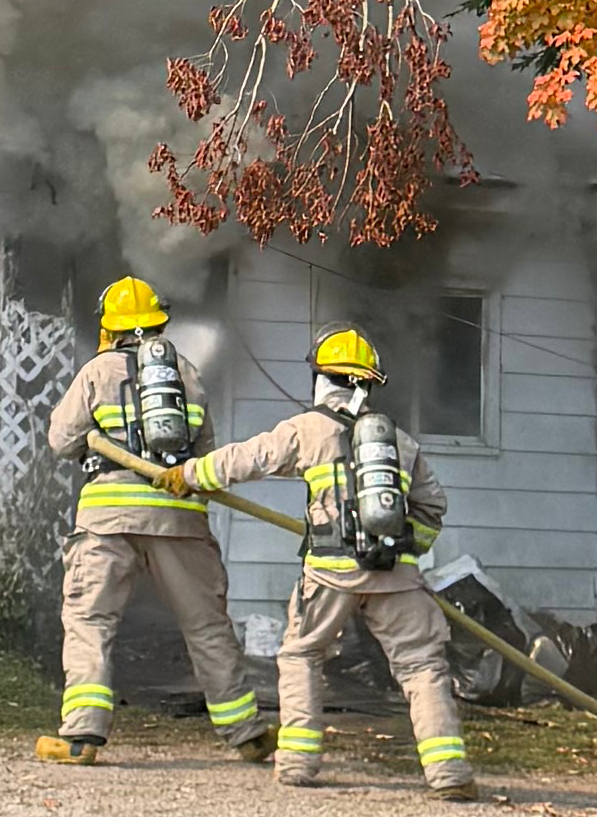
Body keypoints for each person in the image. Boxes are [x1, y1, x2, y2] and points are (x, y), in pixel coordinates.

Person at [182, 328, 474, 799]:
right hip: (397, 578)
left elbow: (249, 459)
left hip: (330, 574)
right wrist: (399, 550)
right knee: (423, 667)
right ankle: (450, 773)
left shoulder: (307, 430)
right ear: (369, 384)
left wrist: (188, 474)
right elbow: (432, 507)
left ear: (321, 378)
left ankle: (298, 762)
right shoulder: (400, 442)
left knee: (302, 655)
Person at [35, 275, 268, 764]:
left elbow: (61, 440)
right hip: (180, 519)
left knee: (91, 622)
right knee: (207, 626)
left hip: (108, 518)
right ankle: (246, 733)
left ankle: (82, 736)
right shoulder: (188, 374)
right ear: (159, 323)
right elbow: (204, 456)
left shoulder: (97, 372)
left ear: (111, 327)